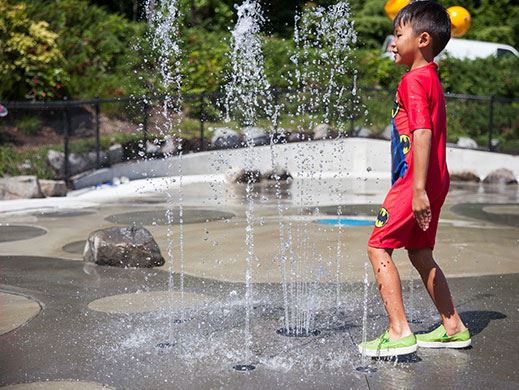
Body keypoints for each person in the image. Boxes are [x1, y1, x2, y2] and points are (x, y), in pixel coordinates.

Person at [358, 1, 471, 357]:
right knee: (420, 252)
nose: (392, 42)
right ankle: (452, 326)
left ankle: (398, 332)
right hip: (435, 180)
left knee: (378, 245)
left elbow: (421, 132)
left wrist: (417, 189)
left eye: (398, 34)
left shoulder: (413, 80)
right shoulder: (431, 78)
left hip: (415, 183)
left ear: (422, 40)